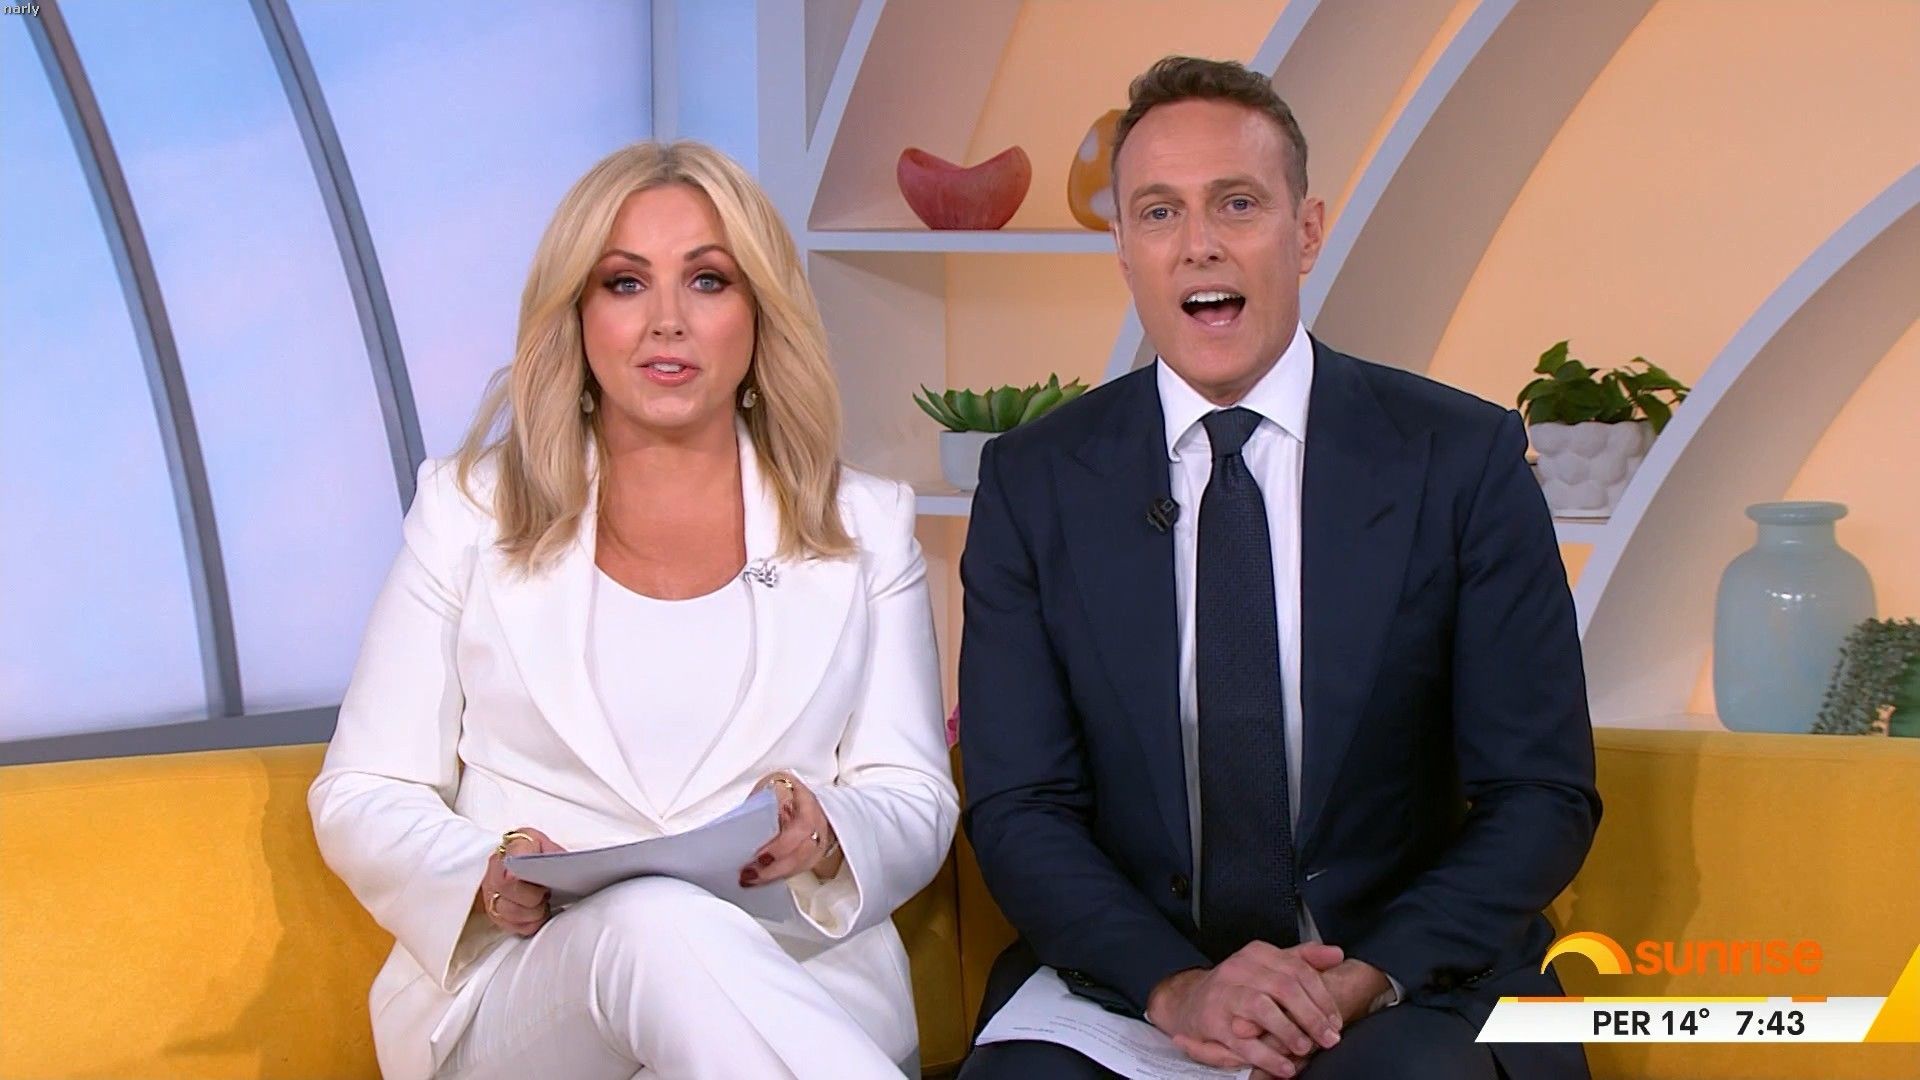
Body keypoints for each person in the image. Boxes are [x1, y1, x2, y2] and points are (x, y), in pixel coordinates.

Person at [957, 57, 1599, 1079]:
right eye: (1158, 212)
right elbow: (1020, 803)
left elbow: (1540, 792)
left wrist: (1357, 981)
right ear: (1122, 248)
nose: (1199, 244)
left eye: (1238, 203)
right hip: (1134, 981)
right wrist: (1178, 986)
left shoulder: (1459, 459)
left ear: (1305, 231)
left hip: (1402, 977)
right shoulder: (1034, 482)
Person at [309, 140, 957, 1080]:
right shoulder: (467, 512)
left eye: (707, 280)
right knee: (652, 919)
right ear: (577, 315)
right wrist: (481, 876)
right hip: (528, 1002)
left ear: (759, 312)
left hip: (793, 982)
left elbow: (913, 794)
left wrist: (825, 832)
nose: (666, 322)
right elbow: (363, 790)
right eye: (624, 283)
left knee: (674, 949)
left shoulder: (864, 526)